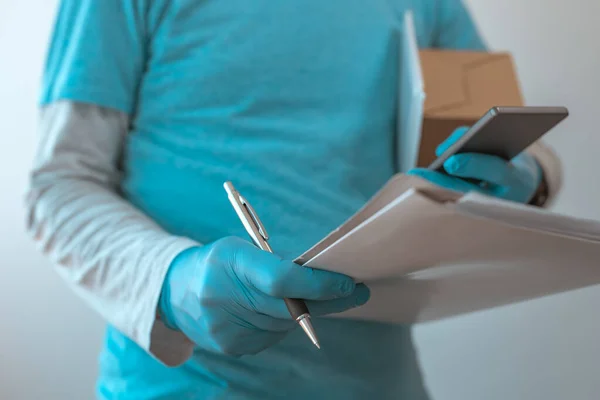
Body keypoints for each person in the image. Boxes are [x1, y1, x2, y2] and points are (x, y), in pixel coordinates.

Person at [26, 1, 562, 398]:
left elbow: (511, 135)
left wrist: (532, 179)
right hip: (181, 383)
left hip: (379, 382)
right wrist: (170, 281)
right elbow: (59, 184)